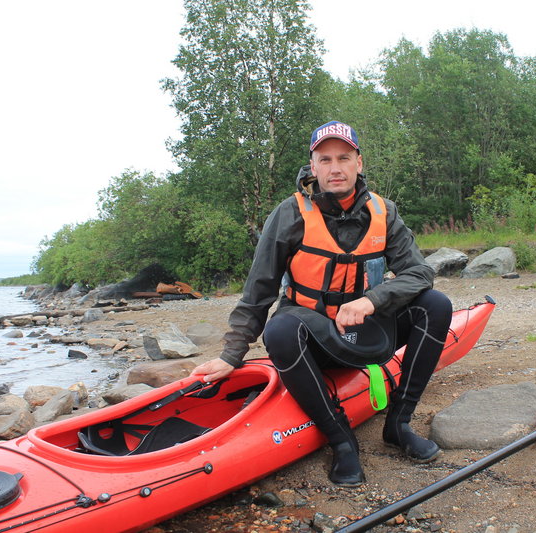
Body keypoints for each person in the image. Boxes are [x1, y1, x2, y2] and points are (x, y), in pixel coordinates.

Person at [192, 121, 453, 487]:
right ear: (312, 166)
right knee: (280, 328)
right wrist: (231, 354)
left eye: (344, 157)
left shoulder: (384, 211)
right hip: (315, 339)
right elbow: (259, 290)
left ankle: (399, 424)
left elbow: (419, 273)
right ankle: (341, 441)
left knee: (436, 304)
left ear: (358, 162)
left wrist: (372, 300)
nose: (335, 167)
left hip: (367, 330)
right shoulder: (289, 214)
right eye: (325, 159)